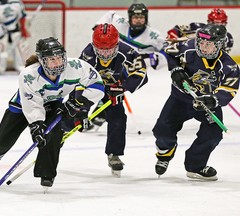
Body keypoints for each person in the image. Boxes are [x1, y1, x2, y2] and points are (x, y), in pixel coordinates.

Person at [0, 37, 105, 189]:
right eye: (51, 59)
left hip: (52, 103)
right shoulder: (28, 75)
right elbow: (32, 104)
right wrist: (36, 125)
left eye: (59, 58)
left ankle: (46, 175)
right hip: (22, 106)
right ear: (41, 60)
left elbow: (97, 84)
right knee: (2, 141)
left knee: (53, 133)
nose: (57, 63)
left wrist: (79, 103)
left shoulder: (76, 67)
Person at [153, 24, 239, 181]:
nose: (203, 47)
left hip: (206, 105)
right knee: (162, 130)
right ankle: (165, 151)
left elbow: (229, 89)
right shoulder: (188, 47)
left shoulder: (229, 66)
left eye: (209, 44)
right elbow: (167, 50)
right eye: (201, 43)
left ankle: (195, 166)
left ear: (219, 45)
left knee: (213, 135)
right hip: (180, 98)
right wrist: (175, 70)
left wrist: (213, 100)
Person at [79, 23, 148, 177]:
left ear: (117, 44)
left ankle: (114, 154)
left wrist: (123, 88)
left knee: (118, 118)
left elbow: (142, 75)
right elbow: (78, 79)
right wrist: (80, 109)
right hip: (92, 86)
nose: (105, 54)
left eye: (109, 49)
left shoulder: (128, 52)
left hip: (114, 89)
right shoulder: (88, 53)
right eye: (101, 50)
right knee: (74, 112)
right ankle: (58, 137)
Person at [95, 3, 167, 71]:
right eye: (135, 17)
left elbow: (167, 52)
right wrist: (99, 26)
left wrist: (153, 59)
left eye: (141, 17)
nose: (138, 20)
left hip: (136, 71)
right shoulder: (121, 23)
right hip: (113, 64)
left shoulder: (154, 36)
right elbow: (111, 14)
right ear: (130, 18)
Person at [0, 0, 30, 74]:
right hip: (0, 35)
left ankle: (24, 68)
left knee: (25, 67)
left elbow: (23, 18)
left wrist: (25, 28)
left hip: (16, 32)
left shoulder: (17, 3)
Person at [166, 8, 233, 53]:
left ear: (225, 23)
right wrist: (173, 38)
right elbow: (176, 29)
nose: (217, 27)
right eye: (214, 23)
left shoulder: (228, 38)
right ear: (208, 22)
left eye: (221, 24)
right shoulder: (197, 27)